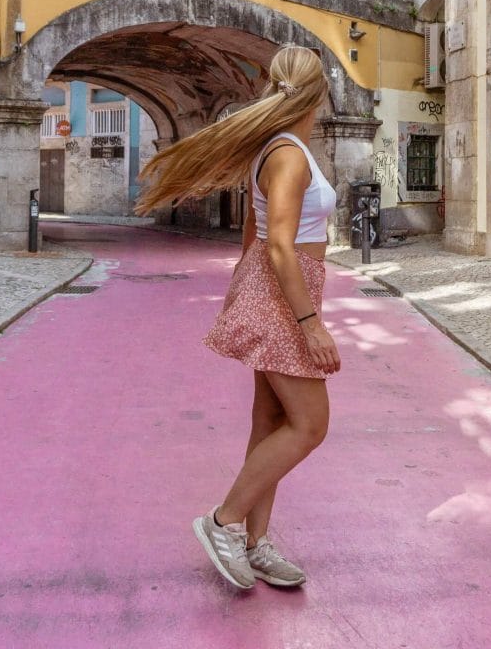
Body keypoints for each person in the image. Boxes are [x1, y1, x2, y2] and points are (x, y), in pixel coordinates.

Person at [136, 44, 341, 590]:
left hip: (272, 290)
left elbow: (253, 235)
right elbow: (278, 245)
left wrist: (239, 293)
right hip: (283, 294)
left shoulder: (274, 149)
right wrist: (309, 324)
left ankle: (256, 542)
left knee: (271, 423)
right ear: (320, 94)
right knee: (311, 424)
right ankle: (223, 523)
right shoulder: (290, 154)